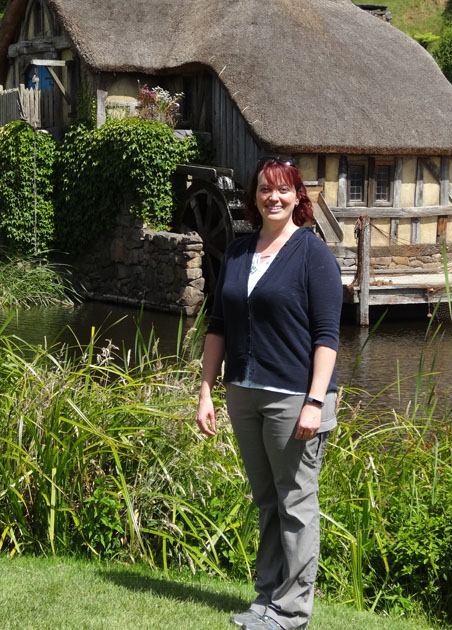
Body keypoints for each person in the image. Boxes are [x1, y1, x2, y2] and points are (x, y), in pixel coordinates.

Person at [194, 157, 343, 630]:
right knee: (267, 502)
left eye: (282, 190)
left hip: (293, 397)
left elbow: (327, 336)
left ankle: (293, 610)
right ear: (254, 197)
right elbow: (218, 325)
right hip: (243, 392)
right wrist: (206, 392)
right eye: (264, 189)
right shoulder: (239, 252)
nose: (272, 197)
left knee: (296, 504)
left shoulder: (313, 254)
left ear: (299, 197)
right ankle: (267, 598)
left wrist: (315, 402)